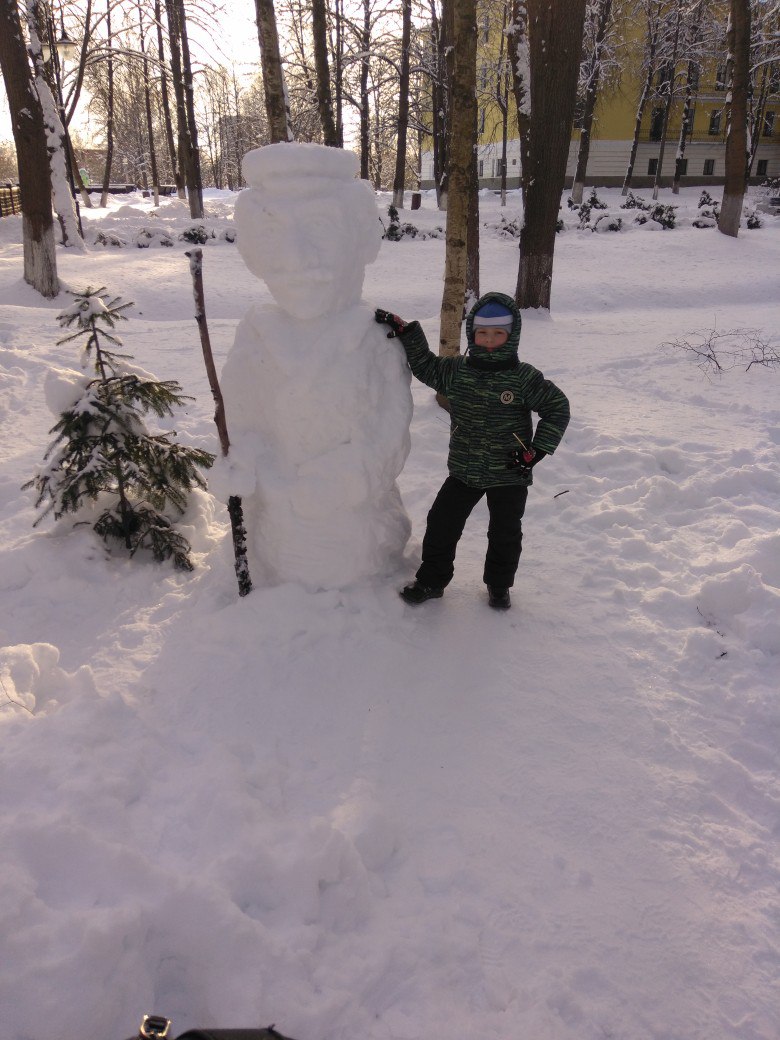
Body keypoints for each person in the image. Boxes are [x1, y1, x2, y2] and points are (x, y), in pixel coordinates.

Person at [375, 292, 570, 610]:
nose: (489, 340)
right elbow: (425, 366)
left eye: (498, 334)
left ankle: (498, 585)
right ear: (472, 334)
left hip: (510, 473)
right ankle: (431, 581)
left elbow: (558, 408)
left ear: (511, 336)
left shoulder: (522, 378)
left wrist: (536, 451)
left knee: (505, 533)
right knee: (441, 524)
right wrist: (407, 331)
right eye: (482, 333)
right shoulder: (457, 371)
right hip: (465, 470)